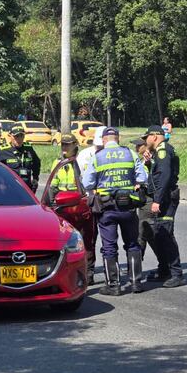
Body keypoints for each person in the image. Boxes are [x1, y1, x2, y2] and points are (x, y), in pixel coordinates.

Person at [82, 128, 148, 295]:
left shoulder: (98, 157)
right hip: (128, 207)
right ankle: (136, 283)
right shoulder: (130, 154)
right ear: (117, 139)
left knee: (109, 247)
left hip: (107, 208)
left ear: (104, 140)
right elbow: (142, 178)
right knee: (132, 244)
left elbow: (87, 183)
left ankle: (114, 285)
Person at [143, 125, 184, 288]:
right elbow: (157, 175)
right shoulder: (158, 152)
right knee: (159, 233)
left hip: (167, 198)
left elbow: (165, 177)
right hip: (163, 197)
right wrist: (148, 164)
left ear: (154, 136)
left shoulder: (163, 151)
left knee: (166, 234)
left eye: (147, 137)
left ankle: (177, 274)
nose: (145, 141)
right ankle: (164, 270)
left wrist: (157, 200)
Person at [75, 126, 106, 284]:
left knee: (109, 239)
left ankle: (111, 274)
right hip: (89, 200)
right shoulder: (85, 155)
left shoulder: (114, 154)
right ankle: (89, 272)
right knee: (89, 238)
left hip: (108, 201)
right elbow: (79, 178)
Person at [0, 125, 41, 192]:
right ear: (10, 136)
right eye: (16, 136)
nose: (19, 139)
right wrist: (1, 182)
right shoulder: (2, 150)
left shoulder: (29, 148)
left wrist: (35, 178)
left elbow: (36, 163)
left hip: (27, 187)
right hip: (9, 188)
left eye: (21, 136)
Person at [131, 137, 154, 261]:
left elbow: (149, 177)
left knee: (143, 231)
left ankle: (136, 264)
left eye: (139, 145)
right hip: (141, 198)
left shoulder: (150, 158)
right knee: (143, 231)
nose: (136, 148)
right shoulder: (140, 159)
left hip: (148, 198)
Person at [47, 134, 80, 203]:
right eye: (62, 144)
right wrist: (51, 202)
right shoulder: (57, 162)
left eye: (67, 144)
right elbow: (52, 186)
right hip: (61, 200)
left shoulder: (80, 160)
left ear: (75, 144)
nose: (64, 147)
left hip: (77, 200)